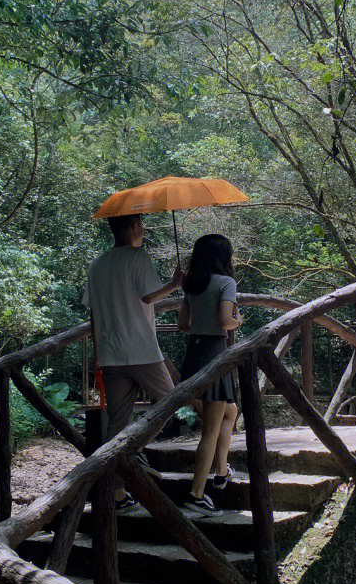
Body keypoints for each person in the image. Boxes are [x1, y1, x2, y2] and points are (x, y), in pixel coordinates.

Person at [84, 213, 183, 511]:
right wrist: (176, 283)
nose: (143, 227)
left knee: (116, 422)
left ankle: (115, 491)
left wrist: (97, 355)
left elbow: (93, 315)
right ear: (133, 226)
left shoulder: (97, 264)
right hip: (141, 350)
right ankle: (131, 450)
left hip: (111, 354)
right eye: (141, 222)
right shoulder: (138, 257)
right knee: (170, 401)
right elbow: (149, 296)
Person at [176, 233, 242, 516]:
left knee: (230, 412)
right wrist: (237, 320)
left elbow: (182, 325)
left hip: (193, 354)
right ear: (222, 256)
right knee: (210, 429)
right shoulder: (226, 283)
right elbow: (225, 321)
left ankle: (221, 471)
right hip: (215, 355)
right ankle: (196, 494)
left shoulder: (192, 284)